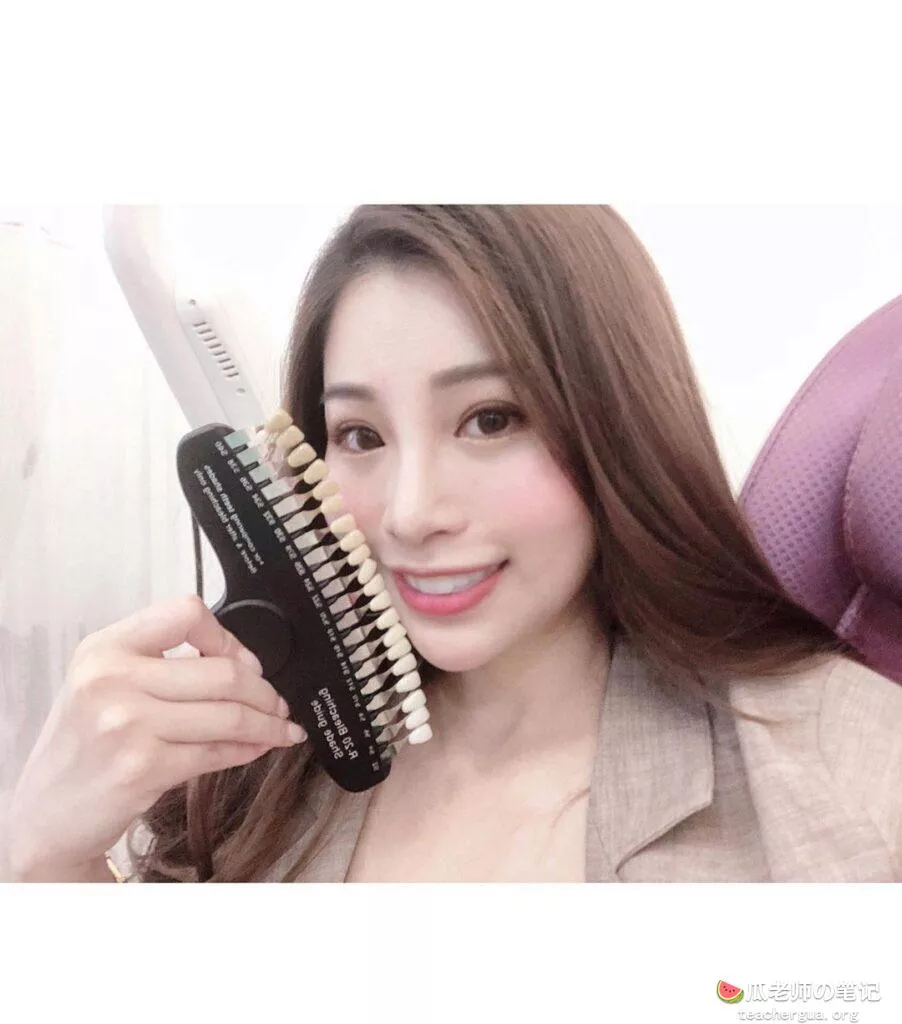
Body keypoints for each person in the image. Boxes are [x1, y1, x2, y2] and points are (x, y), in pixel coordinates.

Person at [7, 205, 902, 883]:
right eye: (360, 435)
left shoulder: (846, 772)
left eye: (490, 419)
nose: (410, 513)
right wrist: (46, 855)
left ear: (615, 425)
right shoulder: (261, 762)